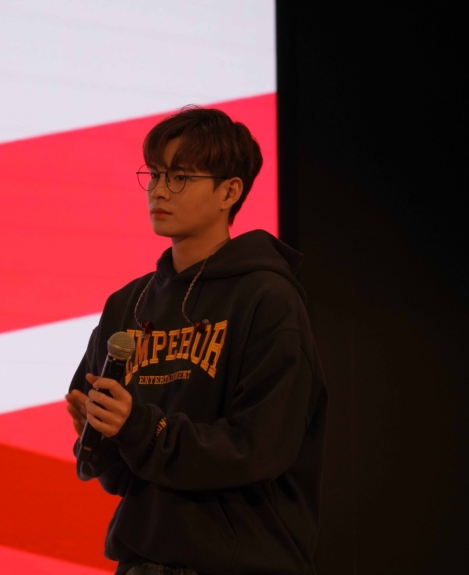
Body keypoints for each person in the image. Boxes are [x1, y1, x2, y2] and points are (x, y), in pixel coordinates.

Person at [65, 106, 327, 575]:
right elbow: (118, 476)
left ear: (230, 191)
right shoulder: (127, 304)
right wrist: (98, 432)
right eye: (155, 174)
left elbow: (260, 447)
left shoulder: (267, 298)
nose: (160, 190)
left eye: (180, 177)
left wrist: (138, 426)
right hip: (143, 560)